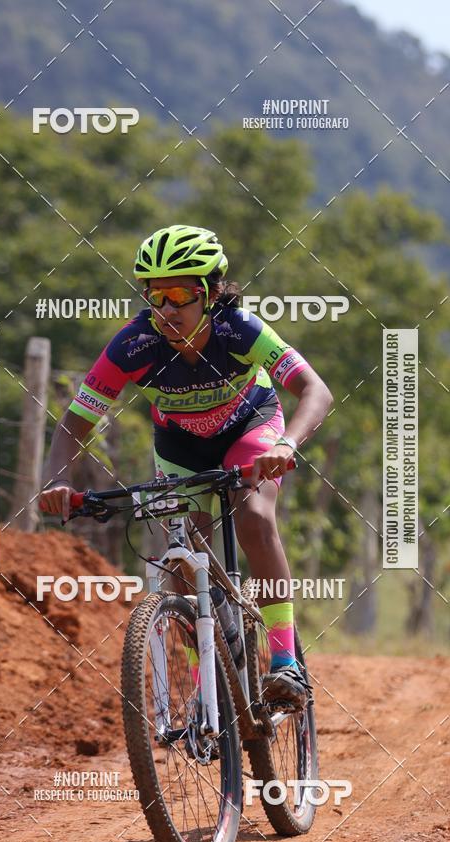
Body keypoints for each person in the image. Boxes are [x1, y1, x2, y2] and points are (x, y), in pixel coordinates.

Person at [39, 224, 333, 708]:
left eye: (180, 294)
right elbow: (74, 423)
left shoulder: (239, 330)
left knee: (255, 519)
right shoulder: (133, 346)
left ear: (212, 293)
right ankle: (205, 682)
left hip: (250, 430)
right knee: (179, 554)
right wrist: (58, 479)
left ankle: (285, 662)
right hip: (180, 446)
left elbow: (314, 391)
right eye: (156, 297)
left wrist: (286, 444)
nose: (167, 310)